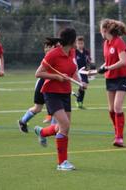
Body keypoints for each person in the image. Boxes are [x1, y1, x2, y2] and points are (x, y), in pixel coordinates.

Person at [35, 28, 85, 171]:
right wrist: (57, 77)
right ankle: (62, 163)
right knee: (65, 125)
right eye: (75, 40)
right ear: (72, 41)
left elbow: (73, 70)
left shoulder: (72, 52)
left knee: (62, 127)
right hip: (51, 93)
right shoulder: (53, 54)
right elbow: (38, 73)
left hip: (65, 93)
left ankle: (42, 132)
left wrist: (80, 82)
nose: (77, 42)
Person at [98, 19, 126, 147]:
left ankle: (119, 137)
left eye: (100, 29)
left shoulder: (119, 42)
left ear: (105, 30)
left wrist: (107, 68)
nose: (100, 32)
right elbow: (108, 61)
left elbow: (123, 61)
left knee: (117, 107)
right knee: (111, 109)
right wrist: (98, 69)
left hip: (122, 77)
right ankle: (117, 131)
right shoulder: (106, 43)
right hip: (110, 78)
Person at [17, 37, 60, 133]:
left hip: (52, 85)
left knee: (55, 108)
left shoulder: (57, 55)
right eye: (46, 47)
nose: (46, 49)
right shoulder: (50, 57)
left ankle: (53, 130)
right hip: (42, 84)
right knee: (38, 108)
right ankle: (22, 121)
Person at [75, 36, 91, 109]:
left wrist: (89, 70)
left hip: (84, 71)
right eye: (79, 43)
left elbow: (88, 61)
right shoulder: (74, 52)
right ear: (76, 44)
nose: (80, 45)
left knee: (84, 87)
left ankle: (79, 100)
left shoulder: (86, 52)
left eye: (81, 43)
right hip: (78, 71)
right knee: (83, 85)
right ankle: (79, 101)